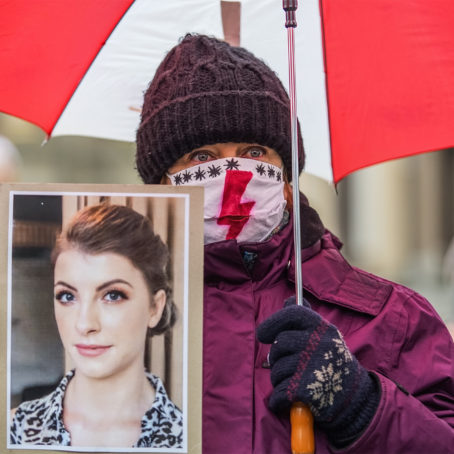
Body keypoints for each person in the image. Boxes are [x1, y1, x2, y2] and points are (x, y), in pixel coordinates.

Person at [135, 34, 454, 454]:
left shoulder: (393, 318)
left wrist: (363, 407)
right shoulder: (121, 313)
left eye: (254, 150)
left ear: (287, 182)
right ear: (161, 184)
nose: (232, 173)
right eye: (201, 157)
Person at [10, 203, 183, 449]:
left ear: (154, 308)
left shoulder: (187, 438)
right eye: (67, 296)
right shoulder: (15, 428)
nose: (84, 324)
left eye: (113, 295)